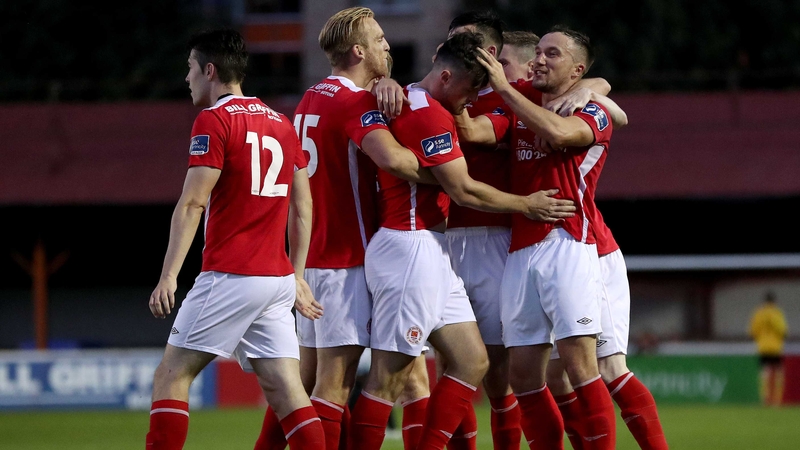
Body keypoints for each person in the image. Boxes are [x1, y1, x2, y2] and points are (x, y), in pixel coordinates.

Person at [347, 31, 577, 450]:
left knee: (473, 361)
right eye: (471, 88)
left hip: (433, 250)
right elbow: (464, 190)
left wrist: (598, 86)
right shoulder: (429, 113)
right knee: (388, 378)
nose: (473, 98)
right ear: (448, 74)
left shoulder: (412, 98)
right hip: (410, 247)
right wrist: (526, 204)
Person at [253, 8, 436, 450]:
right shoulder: (353, 102)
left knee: (306, 382)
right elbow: (391, 159)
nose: (387, 45)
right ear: (358, 50)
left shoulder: (311, 97)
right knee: (333, 389)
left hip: (315, 258)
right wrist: (451, 174)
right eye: (378, 38)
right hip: (346, 259)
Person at [436, 12, 612, 450]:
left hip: (566, 240)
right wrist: (449, 97)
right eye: (537, 52)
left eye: (550, 54)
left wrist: (592, 88)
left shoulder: (584, 106)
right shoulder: (511, 101)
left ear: (577, 70)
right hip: (516, 248)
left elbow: (570, 124)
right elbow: (477, 130)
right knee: (519, 375)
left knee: (580, 365)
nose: (538, 62)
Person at [145, 29, 324, 450]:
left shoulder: (214, 120)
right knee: (287, 393)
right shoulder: (282, 122)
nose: (186, 77)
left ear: (210, 70)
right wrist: (296, 275)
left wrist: (169, 275)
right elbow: (303, 207)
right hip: (276, 281)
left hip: (231, 273)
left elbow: (192, 204)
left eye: (190, 68)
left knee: (172, 375)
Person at [749, 291, 788, 406]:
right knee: (778, 372)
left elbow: (753, 331)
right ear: (774, 301)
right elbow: (782, 329)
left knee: (764, 373)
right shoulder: (777, 312)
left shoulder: (758, 313)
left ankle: (765, 399)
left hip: (763, 347)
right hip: (776, 347)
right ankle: (776, 400)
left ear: (764, 301)